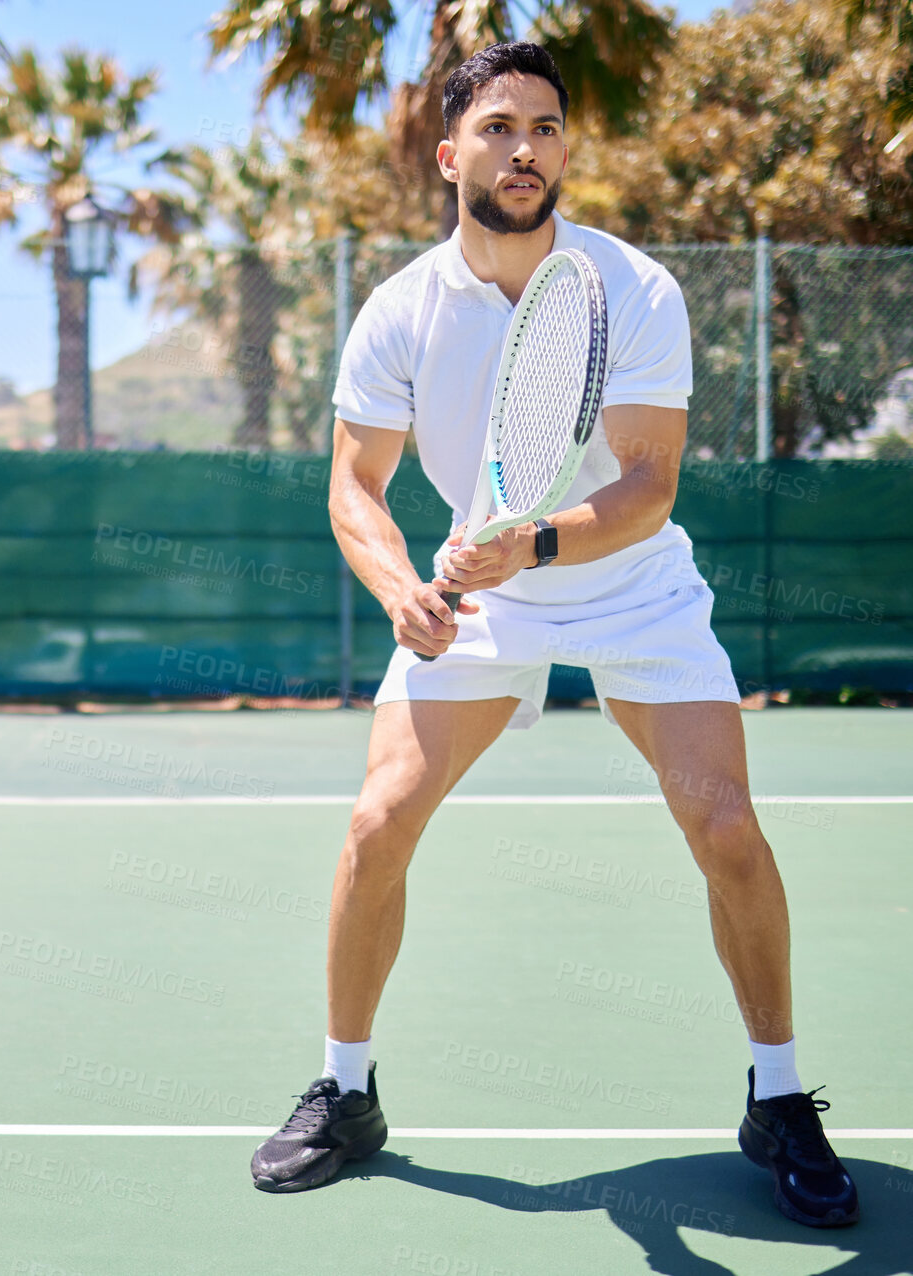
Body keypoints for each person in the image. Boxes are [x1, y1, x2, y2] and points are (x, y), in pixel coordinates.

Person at [249, 42, 858, 1229]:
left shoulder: (630, 288)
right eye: (495, 127)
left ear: (564, 149)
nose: (522, 147)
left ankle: (777, 1096)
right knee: (377, 821)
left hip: (632, 589)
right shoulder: (400, 309)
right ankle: (347, 1087)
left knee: (726, 829)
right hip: (483, 604)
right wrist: (400, 591)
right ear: (448, 153)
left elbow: (646, 485)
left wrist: (522, 544)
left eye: (542, 126)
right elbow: (352, 489)